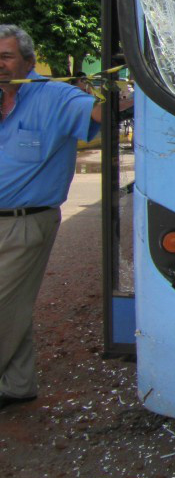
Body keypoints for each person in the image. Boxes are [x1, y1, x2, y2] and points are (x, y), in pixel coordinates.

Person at [0, 25, 126, 411]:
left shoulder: (54, 96)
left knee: (3, 305)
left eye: (5, 58)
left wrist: (132, 88)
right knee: (13, 307)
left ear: (28, 61)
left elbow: (101, 112)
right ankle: (17, 385)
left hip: (24, 223)